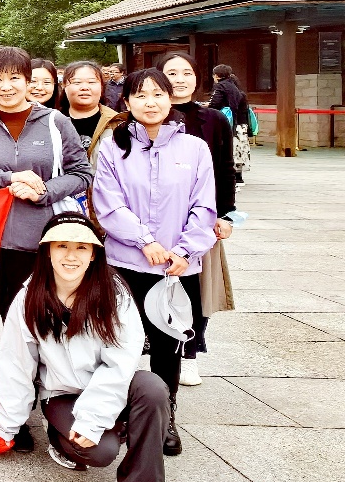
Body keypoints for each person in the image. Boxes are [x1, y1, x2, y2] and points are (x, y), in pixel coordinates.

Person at [0, 45, 93, 455]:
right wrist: (6, 179)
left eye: (15, 77)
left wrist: (45, 190)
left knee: (46, 329)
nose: (7, 86)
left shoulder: (56, 122)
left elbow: (82, 173)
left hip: (47, 245)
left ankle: (51, 410)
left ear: (29, 80)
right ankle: (13, 413)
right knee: (4, 334)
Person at [0, 213, 170, 482]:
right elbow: (15, 365)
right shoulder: (29, 296)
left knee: (153, 388)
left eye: (81, 247)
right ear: (47, 251)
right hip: (63, 393)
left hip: (113, 385)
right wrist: (7, 426)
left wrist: (94, 419)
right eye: (62, 246)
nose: (71, 256)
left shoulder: (114, 294)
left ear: (93, 254)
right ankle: (61, 438)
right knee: (100, 452)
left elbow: (120, 362)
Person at [93, 68, 216, 457]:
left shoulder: (194, 148)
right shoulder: (112, 147)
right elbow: (108, 204)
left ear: (170, 98)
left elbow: (204, 206)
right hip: (127, 262)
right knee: (120, 341)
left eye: (158, 94)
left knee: (168, 345)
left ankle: (164, 417)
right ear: (126, 102)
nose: (151, 102)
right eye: (141, 95)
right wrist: (144, 240)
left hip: (176, 268)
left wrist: (184, 251)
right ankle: (119, 411)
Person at [157, 52, 238, 387]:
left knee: (197, 288)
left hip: (200, 218)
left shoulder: (214, 119)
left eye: (186, 72)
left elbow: (225, 169)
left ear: (197, 77)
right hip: (156, 218)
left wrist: (225, 214)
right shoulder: (147, 114)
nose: (179, 79)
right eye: (171, 73)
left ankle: (190, 353)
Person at [62, 61, 124, 161]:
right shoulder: (51, 120)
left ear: (102, 86)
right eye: (77, 82)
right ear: (64, 86)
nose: (84, 88)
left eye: (91, 82)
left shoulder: (118, 123)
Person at [209, 65, 252, 185]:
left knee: (227, 149)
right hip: (241, 123)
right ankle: (238, 176)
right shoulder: (236, 88)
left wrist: (207, 106)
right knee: (239, 149)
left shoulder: (221, 86)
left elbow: (215, 104)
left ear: (217, 75)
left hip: (229, 123)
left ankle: (229, 177)